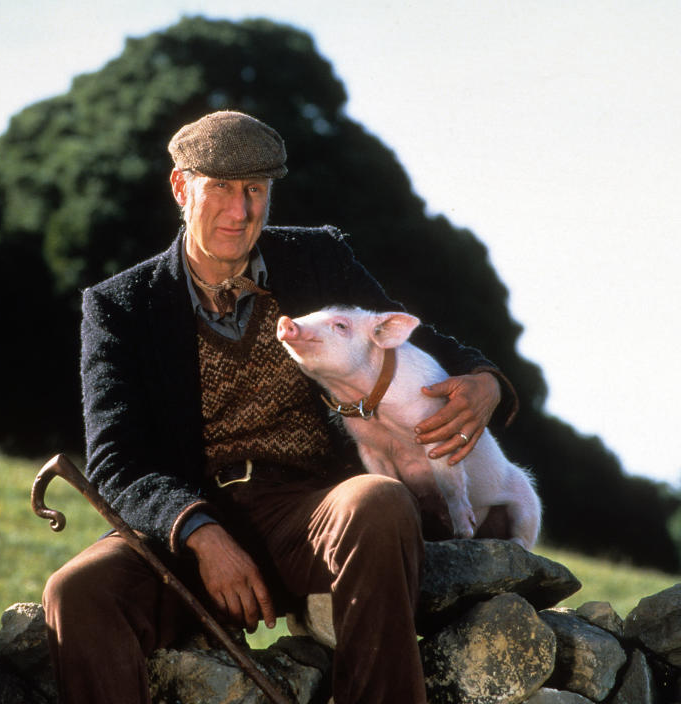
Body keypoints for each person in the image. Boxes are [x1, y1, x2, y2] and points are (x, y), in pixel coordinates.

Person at [42, 110, 518, 704]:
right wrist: (198, 530)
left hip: (311, 508)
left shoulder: (316, 257)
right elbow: (116, 460)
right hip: (190, 525)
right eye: (220, 187)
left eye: (255, 191)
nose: (240, 212)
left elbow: (407, 334)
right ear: (180, 187)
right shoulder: (120, 306)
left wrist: (485, 379)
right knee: (76, 591)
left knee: (378, 499)